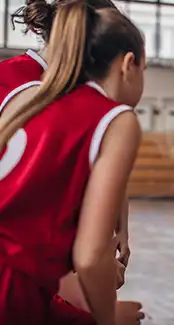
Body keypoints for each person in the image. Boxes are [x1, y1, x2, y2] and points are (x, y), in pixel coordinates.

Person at [0, 1, 146, 324]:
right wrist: (104, 315)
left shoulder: (44, 95)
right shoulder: (106, 115)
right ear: (128, 63)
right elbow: (87, 254)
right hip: (20, 277)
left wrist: (119, 222)